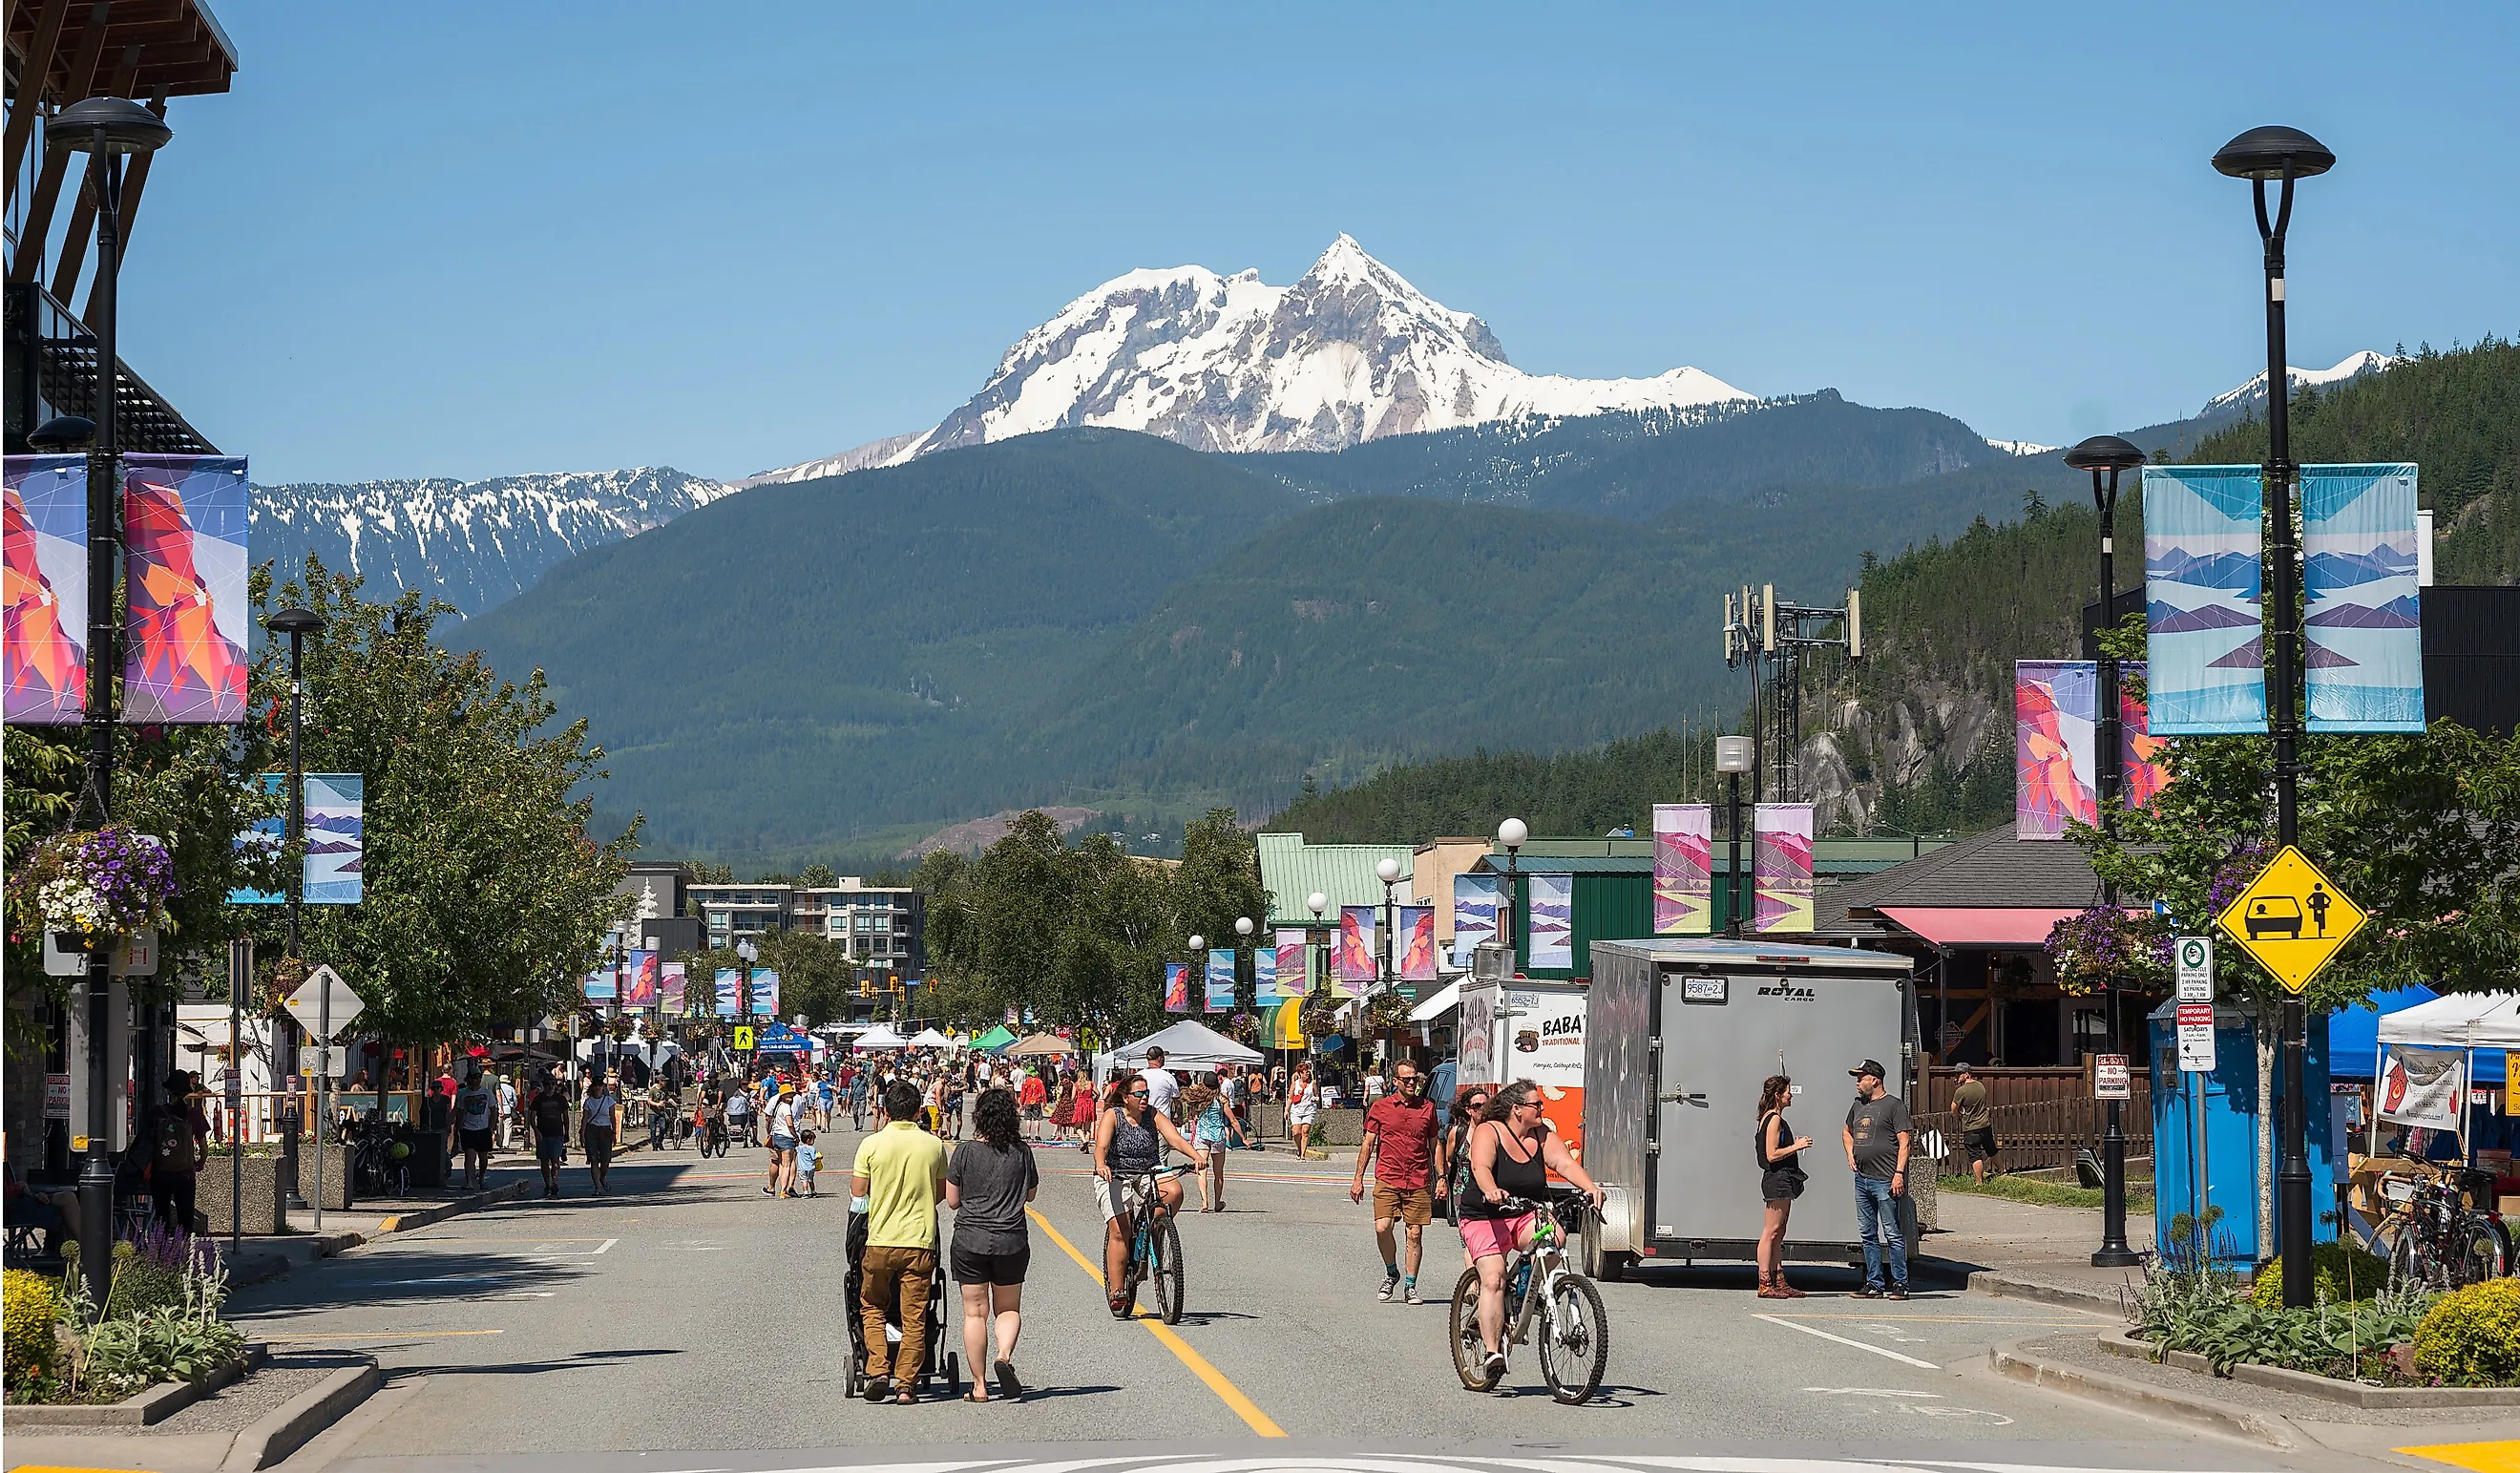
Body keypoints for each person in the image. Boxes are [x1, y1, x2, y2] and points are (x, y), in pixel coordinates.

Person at [1461, 1082, 1606, 1385]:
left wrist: (1590, 1187)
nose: (1542, 1109)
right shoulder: (1490, 1131)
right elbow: (1481, 1167)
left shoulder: (1541, 1135)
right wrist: (1491, 1190)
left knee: (1555, 1239)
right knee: (1494, 1278)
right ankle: (1492, 1353)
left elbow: (1564, 1162)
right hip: (1484, 1214)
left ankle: (1524, 1292)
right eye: (1536, 1105)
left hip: (1525, 1210)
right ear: (1517, 1110)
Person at [853, 1081, 948, 1405]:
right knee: (915, 1314)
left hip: (880, 1239)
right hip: (919, 1241)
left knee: (873, 1305)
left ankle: (878, 1369)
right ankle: (906, 1383)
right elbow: (940, 1195)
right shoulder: (934, 1145)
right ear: (919, 1110)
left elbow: (858, 1191)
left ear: (885, 1110)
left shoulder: (871, 1145)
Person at [947, 1086, 1038, 1403]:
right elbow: (1030, 1194)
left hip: (970, 1239)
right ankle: (1004, 1355)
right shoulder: (1022, 1152)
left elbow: (952, 1201)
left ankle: (980, 1385)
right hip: (1011, 1239)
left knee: (975, 1314)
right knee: (1008, 1308)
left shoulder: (965, 1152)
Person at [1092, 1073, 1207, 1318]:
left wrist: (1196, 1156)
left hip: (1148, 1169)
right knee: (1120, 1230)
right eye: (1139, 1094)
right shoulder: (1114, 1116)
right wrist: (1101, 1164)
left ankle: (1150, 1235)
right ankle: (1117, 1289)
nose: (1144, 1098)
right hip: (1116, 1172)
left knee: (1174, 1192)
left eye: (1146, 1094)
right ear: (1125, 1097)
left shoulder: (1152, 1115)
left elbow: (1174, 1138)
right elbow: (1100, 1146)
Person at [1352, 1058, 1440, 1303]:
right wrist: (1358, 1178)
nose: (1412, 1083)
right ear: (1395, 1081)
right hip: (1388, 1176)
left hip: (1418, 1178)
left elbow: (1435, 1144)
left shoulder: (1427, 1108)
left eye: (1415, 1079)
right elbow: (1368, 1143)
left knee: (1414, 1233)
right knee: (1383, 1227)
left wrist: (1441, 1177)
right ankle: (1392, 1273)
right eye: (1407, 1079)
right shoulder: (1380, 1108)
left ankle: (1410, 1286)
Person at [1842, 1058, 1913, 1299]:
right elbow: (1846, 1131)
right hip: (1862, 1179)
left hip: (1885, 1179)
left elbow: (1905, 1142)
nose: (1857, 1082)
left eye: (1860, 1078)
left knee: (1892, 1232)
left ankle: (1900, 1283)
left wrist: (1899, 1174)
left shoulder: (1894, 1106)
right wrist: (1851, 1153)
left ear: (1875, 1079)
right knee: (1868, 1233)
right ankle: (1874, 1283)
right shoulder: (1858, 1106)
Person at [1754, 1074, 1814, 1299]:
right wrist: (1796, 1146)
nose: (1791, 1095)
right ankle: (1765, 1282)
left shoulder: (1771, 1118)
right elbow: (1771, 1154)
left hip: (1782, 1179)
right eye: (1788, 1092)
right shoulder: (1773, 1119)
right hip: (1776, 1179)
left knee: (1779, 1231)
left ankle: (1778, 1279)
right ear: (1778, 1095)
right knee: (1770, 1231)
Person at [147, 1072, 211, 1231]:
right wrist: (200, 1162)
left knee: (161, 1216)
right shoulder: (194, 1114)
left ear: (169, 1091)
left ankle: (161, 1252)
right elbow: (203, 1147)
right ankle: (184, 1252)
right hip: (185, 1173)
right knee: (185, 1217)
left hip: (161, 1172)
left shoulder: (156, 1112)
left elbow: (147, 1141)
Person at [1182, 1073, 1251, 1211]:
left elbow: (1193, 1113)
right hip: (1218, 1136)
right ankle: (1217, 1202)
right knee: (1218, 1172)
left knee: (1201, 1170)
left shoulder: (1199, 1098)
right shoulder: (1221, 1098)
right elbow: (1232, 1120)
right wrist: (1243, 1138)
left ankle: (1204, 1203)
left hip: (1202, 1135)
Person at [1438, 1084, 1493, 1254]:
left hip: (1489, 1192)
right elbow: (1448, 1160)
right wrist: (1443, 1182)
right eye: (1478, 1106)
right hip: (1462, 1192)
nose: (1482, 1109)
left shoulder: (1496, 1132)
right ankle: (1473, 1279)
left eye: (1486, 1105)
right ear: (1469, 1110)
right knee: (1470, 1242)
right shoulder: (1459, 1133)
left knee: (1490, 1241)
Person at [529, 1071, 572, 1197]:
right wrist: (536, 1131)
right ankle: (548, 1184)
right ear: (543, 1085)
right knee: (544, 1161)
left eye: (553, 1084)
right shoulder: (538, 1099)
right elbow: (532, 1117)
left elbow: (565, 1117)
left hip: (557, 1133)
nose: (550, 1086)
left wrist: (567, 1132)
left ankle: (554, 1182)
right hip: (543, 1134)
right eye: (547, 1084)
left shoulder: (560, 1099)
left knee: (555, 1160)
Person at [1953, 1063, 1997, 1185]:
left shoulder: (1961, 1091)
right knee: (1991, 1148)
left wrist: (1958, 1115)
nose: (1956, 1076)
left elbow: (1953, 1107)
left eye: (1959, 1074)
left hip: (1971, 1126)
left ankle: (1979, 1182)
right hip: (1985, 1124)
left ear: (1966, 1074)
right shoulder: (1981, 1086)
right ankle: (2002, 1170)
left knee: (1975, 1155)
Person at [454, 1067, 497, 1189]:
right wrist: (457, 1128)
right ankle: (469, 1181)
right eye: (474, 1077)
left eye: (478, 1077)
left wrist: (491, 1127)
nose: (476, 1080)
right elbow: (460, 1112)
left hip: (483, 1129)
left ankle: (482, 1178)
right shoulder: (463, 1093)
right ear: (469, 1079)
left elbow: (493, 1111)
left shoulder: (487, 1093)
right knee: (469, 1156)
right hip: (468, 1128)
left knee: (483, 1157)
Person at [581, 1072, 620, 1195]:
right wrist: (582, 1134)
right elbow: (585, 1119)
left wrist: (614, 1134)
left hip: (605, 1130)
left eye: (600, 1085)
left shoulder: (609, 1100)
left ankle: (602, 1177)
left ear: (603, 1087)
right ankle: (597, 1187)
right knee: (593, 1160)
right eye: (596, 1086)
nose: (598, 1088)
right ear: (593, 1087)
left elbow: (612, 1117)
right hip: (592, 1130)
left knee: (605, 1159)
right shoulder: (589, 1102)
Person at [765, 1081, 802, 1197]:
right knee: (787, 1164)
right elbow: (790, 1123)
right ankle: (783, 1191)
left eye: (791, 1094)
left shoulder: (778, 1106)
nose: (791, 1097)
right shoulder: (786, 1107)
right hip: (786, 1137)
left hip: (776, 1136)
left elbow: (768, 1119)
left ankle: (781, 1188)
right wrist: (795, 1135)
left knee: (781, 1164)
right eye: (788, 1095)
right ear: (783, 1096)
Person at [1288, 1062, 1319, 1161]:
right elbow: (1290, 1098)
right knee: (1296, 1133)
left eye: (1308, 1072)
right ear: (1300, 1073)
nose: (1307, 1074)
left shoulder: (1312, 1084)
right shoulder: (1295, 1084)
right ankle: (1299, 1149)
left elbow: (1317, 1095)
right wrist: (1286, 1109)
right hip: (1296, 1110)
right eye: (1306, 1073)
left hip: (1309, 1109)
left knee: (1305, 1131)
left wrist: (1315, 1099)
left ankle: (1303, 1155)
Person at [1138, 1046, 1179, 1118]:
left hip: (1141, 1119)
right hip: (1163, 1122)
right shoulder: (1168, 1077)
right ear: (1160, 1058)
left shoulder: (1137, 1076)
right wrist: (1178, 1115)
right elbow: (1177, 1100)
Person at [1020, 1067, 1050, 1140]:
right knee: (1036, 1118)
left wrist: (1022, 1102)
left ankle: (1028, 1134)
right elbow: (1043, 1092)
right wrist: (1044, 1102)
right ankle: (1037, 1134)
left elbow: (1023, 1093)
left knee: (1028, 1118)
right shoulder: (1039, 1081)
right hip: (1037, 1101)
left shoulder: (1026, 1081)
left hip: (1028, 1101)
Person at [724, 1077, 753, 1147]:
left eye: (746, 1084)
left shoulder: (750, 1092)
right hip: (737, 1112)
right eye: (743, 1084)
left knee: (751, 1122)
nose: (745, 1086)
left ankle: (754, 1139)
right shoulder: (737, 1093)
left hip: (743, 1112)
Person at [497, 1071, 519, 1152]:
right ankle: (505, 1144)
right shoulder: (511, 1089)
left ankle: (499, 1142)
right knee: (508, 1127)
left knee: (499, 1127)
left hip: (499, 1109)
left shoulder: (498, 1088)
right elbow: (515, 1100)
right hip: (508, 1110)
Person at [796, 1128, 821, 1195]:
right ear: (808, 1140)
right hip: (810, 1167)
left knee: (804, 1180)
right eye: (813, 1140)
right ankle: (813, 1191)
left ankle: (805, 1192)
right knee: (810, 1180)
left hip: (801, 1168)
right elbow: (813, 1157)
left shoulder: (799, 1147)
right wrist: (819, 1157)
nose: (814, 1142)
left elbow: (795, 1150)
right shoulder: (811, 1148)